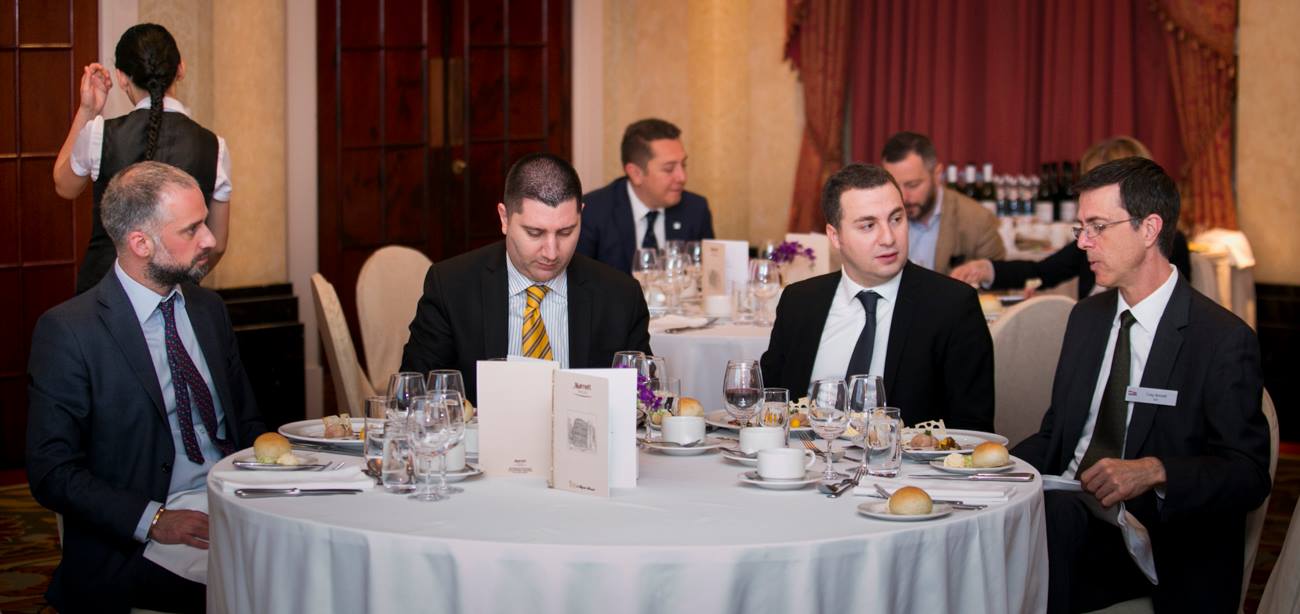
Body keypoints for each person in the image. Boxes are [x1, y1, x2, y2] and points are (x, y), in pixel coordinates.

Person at [1012, 157, 1270, 613]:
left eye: (1097, 227)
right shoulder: (1087, 319)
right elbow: (1057, 435)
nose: (1083, 243)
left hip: (1156, 539)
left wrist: (1154, 470)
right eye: (1080, 229)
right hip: (1069, 518)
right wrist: (989, 467)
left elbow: (1248, 474)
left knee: (1044, 527)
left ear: (1149, 229)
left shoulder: (1220, 339)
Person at [27, 162, 265, 613]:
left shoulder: (208, 309)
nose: (210, 240)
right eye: (192, 229)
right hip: (138, 536)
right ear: (141, 243)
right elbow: (51, 471)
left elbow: (246, 422)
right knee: (260, 589)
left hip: (235, 506)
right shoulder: (71, 331)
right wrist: (153, 520)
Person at [401, 153, 653, 403]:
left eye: (566, 232)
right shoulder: (451, 286)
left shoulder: (620, 296)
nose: (552, 252)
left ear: (581, 216)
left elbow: (644, 399)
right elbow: (414, 394)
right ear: (504, 218)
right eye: (534, 233)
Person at [760, 163, 994, 431]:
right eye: (868, 225)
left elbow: (973, 430)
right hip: (805, 454)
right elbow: (769, 405)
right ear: (835, 236)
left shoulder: (952, 306)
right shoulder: (799, 302)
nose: (888, 238)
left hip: (903, 458)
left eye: (896, 219)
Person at [53, 23, 233, 295]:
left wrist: (87, 110)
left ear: (122, 78)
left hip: (104, 294)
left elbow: (64, 185)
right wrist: (177, 280)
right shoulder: (214, 146)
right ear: (180, 69)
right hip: (176, 295)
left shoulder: (101, 133)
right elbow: (217, 244)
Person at [951, 136, 1191, 295]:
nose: (1083, 242)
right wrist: (986, 269)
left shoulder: (1168, 246)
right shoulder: (1091, 242)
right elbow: (1041, 272)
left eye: (1099, 224)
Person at [577, 118, 715, 274]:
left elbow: (708, 276)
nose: (682, 177)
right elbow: (581, 280)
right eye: (669, 169)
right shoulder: (592, 212)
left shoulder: (696, 209)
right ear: (636, 173)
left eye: (683, 165)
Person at [880, 131, 1005, 275]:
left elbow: (998, 281)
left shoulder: (978, 221)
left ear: (937, 174)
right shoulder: (876, 218)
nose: (903, 197)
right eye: (894, 185)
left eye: (913, 185)